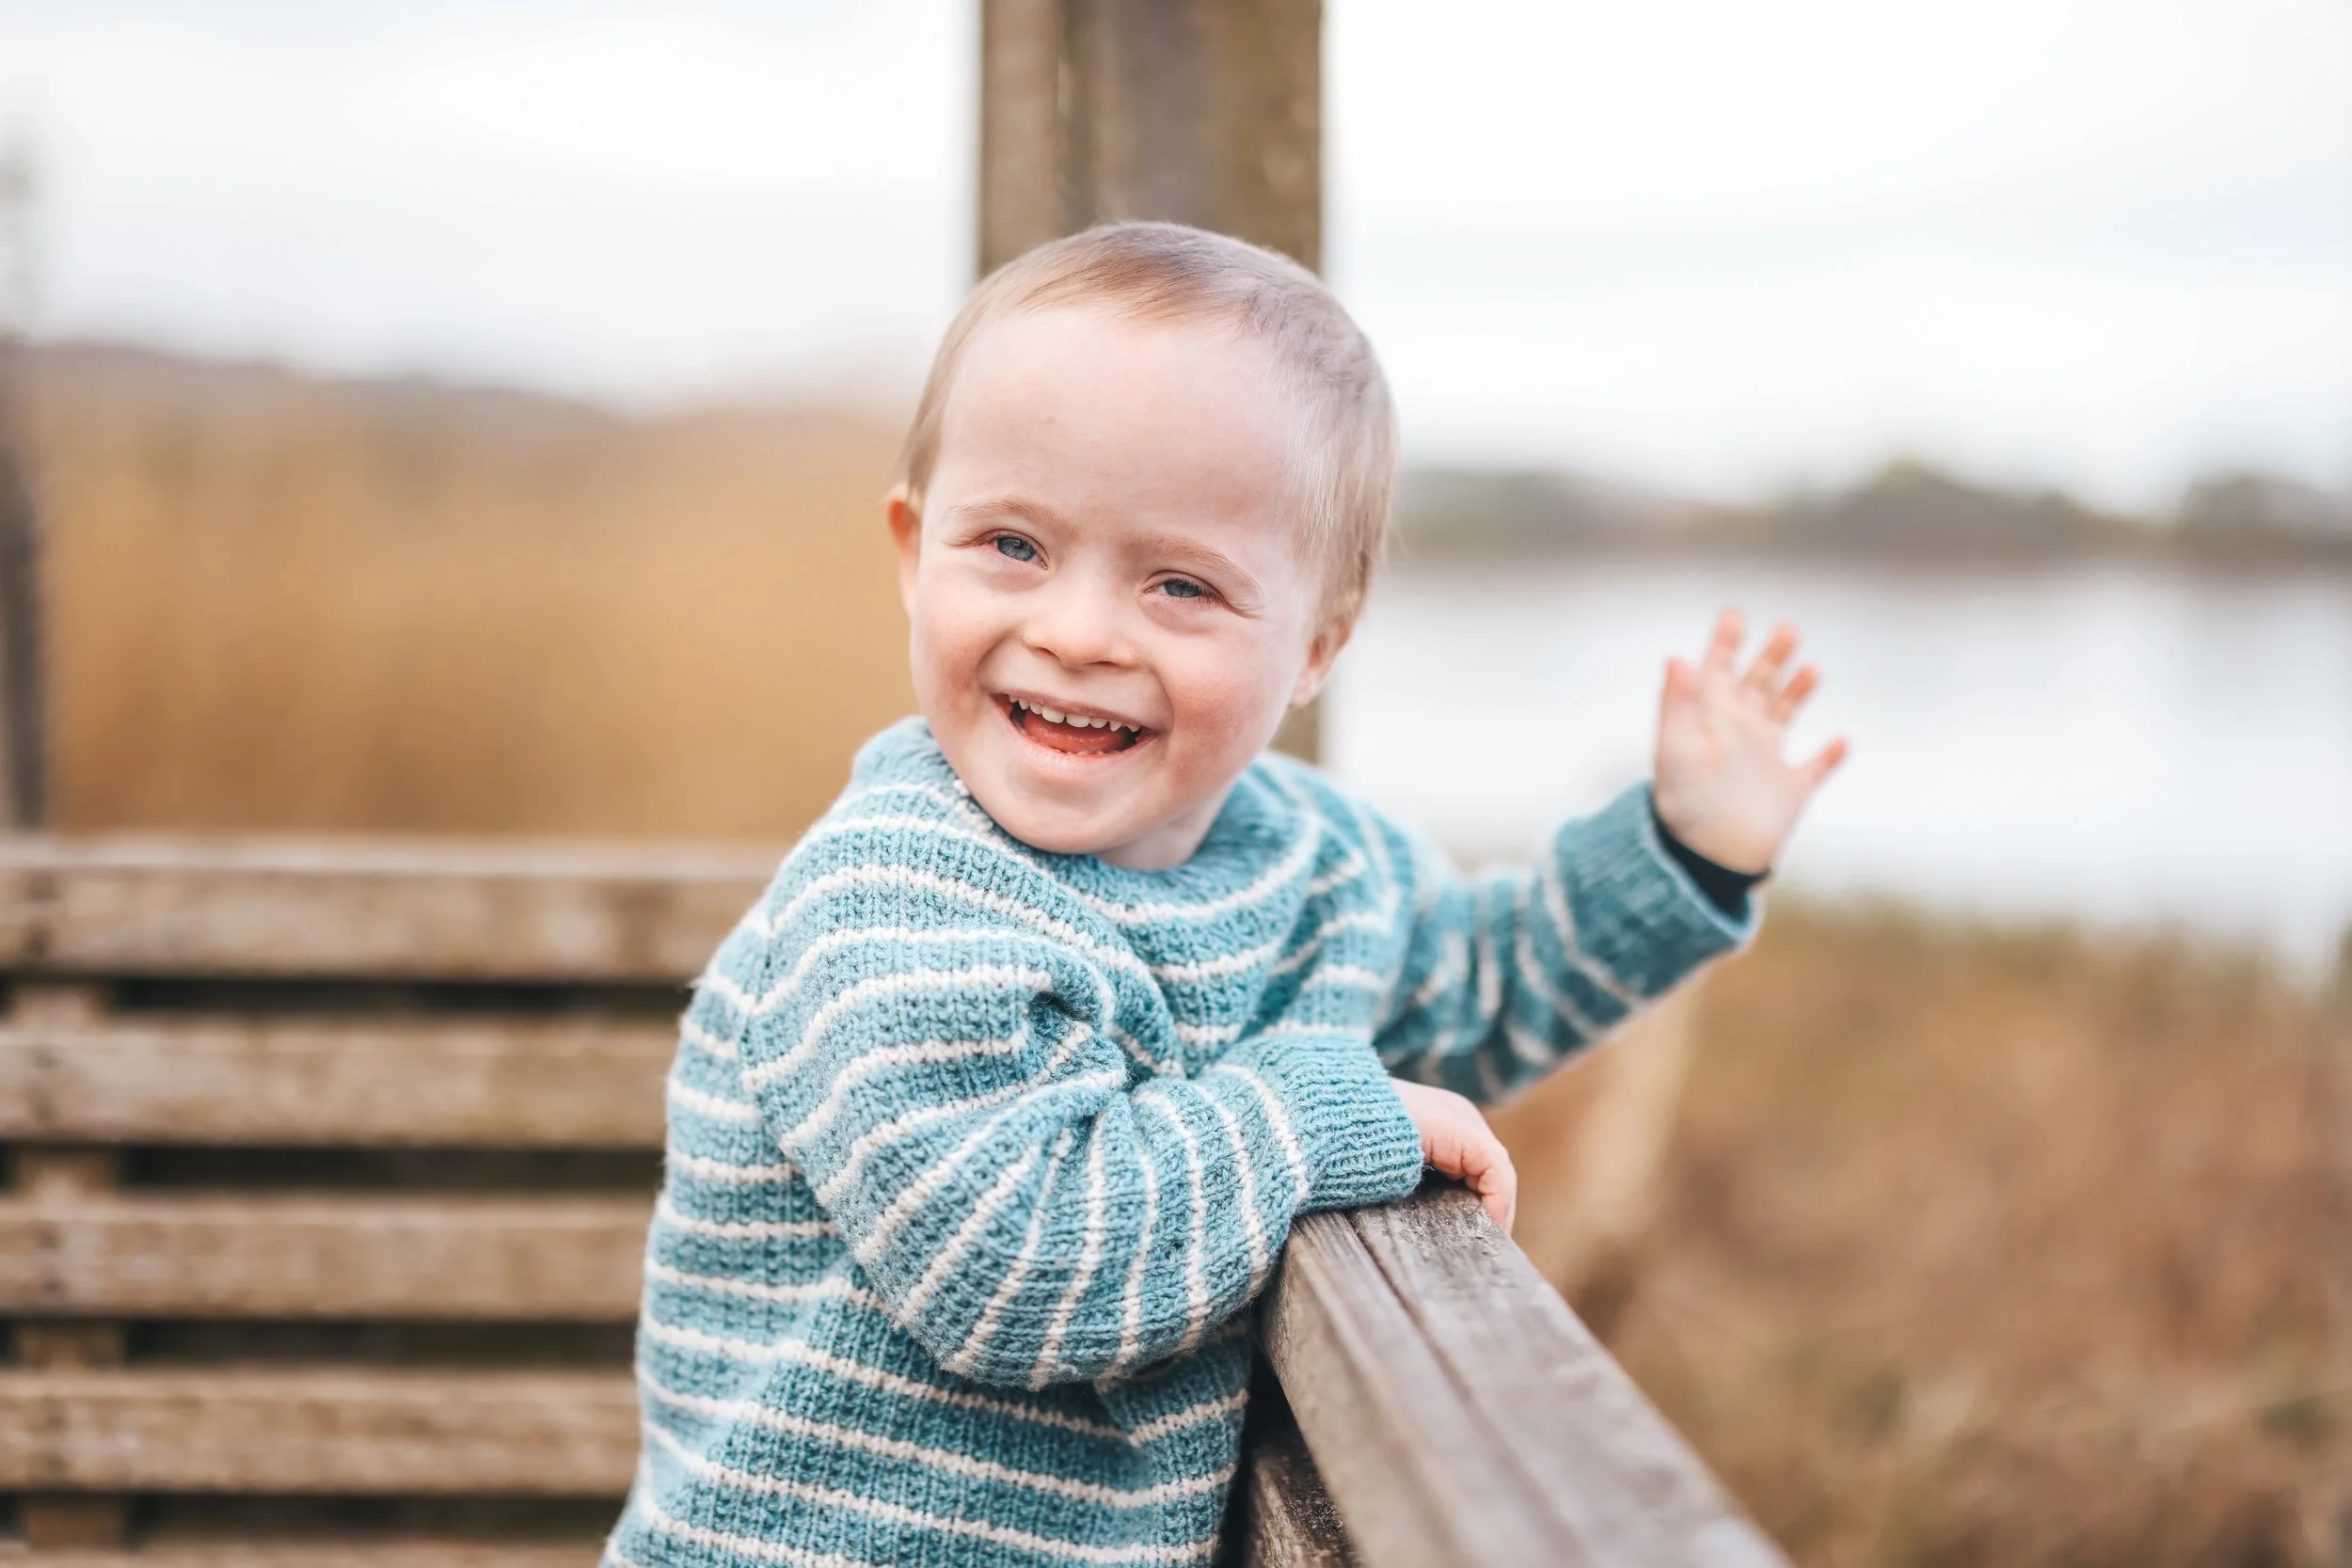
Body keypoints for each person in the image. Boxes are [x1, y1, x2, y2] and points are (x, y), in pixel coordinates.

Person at [605, 222, 1845, 1567]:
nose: (1079, 631)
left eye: (1181, 583)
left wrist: (1685, 853)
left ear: (1316, 641)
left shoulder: (1317, 860)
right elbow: (1009, 1268)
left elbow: (1482, 981)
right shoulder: (896, 900)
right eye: (1013, 545)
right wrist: (1318, 1118)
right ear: (915, 549)